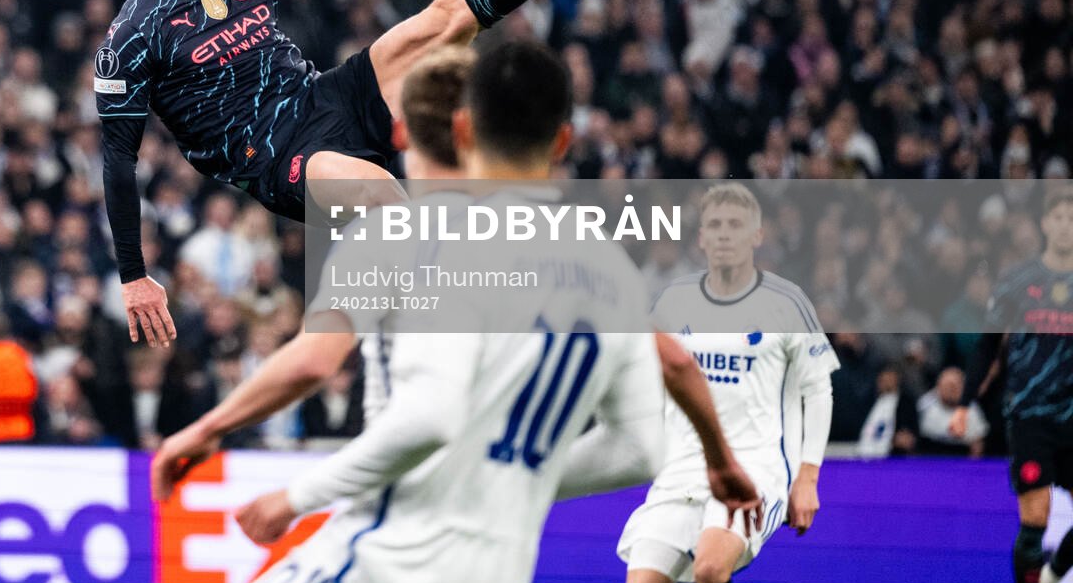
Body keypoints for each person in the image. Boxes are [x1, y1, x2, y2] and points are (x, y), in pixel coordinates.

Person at [175, 40, 669, 583]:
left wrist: (294, 498)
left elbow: (418, 410)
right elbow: (639, 449)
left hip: (393, 552)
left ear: (457, 129)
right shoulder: (609, 268)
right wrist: (504, 482)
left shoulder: (420, 236)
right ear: (563, 139)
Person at [100, 0, 629, 347]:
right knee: (386, 202)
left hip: (328, 96)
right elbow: (117, 159)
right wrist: (133, 275)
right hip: (279, 159)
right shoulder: (134, 33)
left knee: (448, 17)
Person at [152, 48, 760, 516]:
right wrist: (721, 462)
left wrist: (223, 443)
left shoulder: (392, 233)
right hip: (497, 575)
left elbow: (322, 367)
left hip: (392, 537)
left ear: (398, 134)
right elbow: (650, 426)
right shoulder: (591, 253)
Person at [618, 183, 837, 583]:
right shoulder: (673, 301)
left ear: (757, 235)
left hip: (757, 467)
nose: (724, 235)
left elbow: (818, 391)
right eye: (714, 226)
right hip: (683, 466)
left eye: (735, 226)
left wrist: (808, 478)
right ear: (700, 237)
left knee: (713, 567)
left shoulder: (787, 303)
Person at [955, 189, 1073, 583]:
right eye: (1059, 216)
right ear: (1045, 223)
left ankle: (1050, 580)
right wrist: (965, 403)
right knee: (1034, 518)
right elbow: (988, 346)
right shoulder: (1017, 282)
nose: (1066, 224)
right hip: (1028, 415)